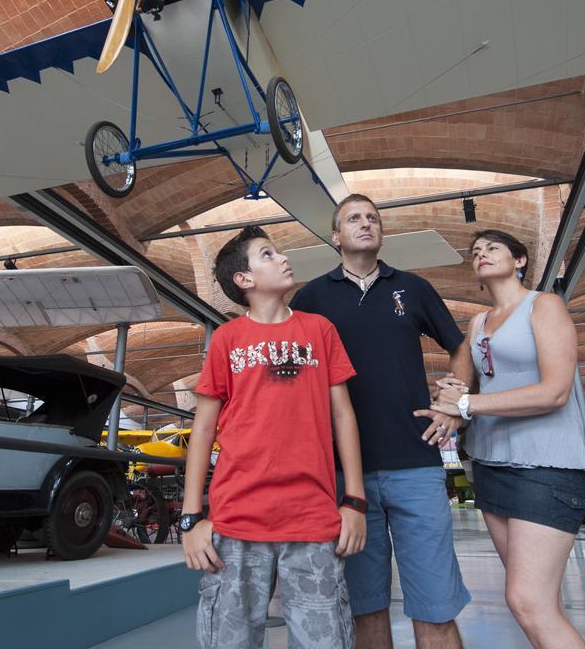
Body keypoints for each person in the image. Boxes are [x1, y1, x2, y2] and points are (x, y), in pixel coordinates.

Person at [290, 194, 472, 649]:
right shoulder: (310, 298)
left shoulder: (412, 287)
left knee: (435, 608)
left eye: (372, 218)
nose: (365, 223)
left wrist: (454, 400)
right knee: (365, 609)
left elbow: (461, 346)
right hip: (344, 477)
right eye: (354, 218)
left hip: (416, 465)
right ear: (335, 237)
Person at [181, 225, 368, 648]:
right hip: (236, 521)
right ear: (243, 280)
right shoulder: (227, 339)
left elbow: (343, 416)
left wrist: (354, 501)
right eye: (268, 254)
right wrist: (191, 517)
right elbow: (204, 429)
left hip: (313, 520)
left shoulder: (319, 330)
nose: (283, 259)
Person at [418, 228, 585, 649]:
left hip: (544, 468)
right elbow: (475, 391)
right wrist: (449, 396)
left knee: (528, 601)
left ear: (520, 261)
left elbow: (555, 391)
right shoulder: (478, 323)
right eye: (475, 251)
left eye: (493, 248)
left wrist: (466, 405)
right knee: (536, 604)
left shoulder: (543, 306)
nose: (481, 254)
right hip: (492, 464)